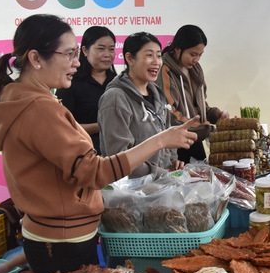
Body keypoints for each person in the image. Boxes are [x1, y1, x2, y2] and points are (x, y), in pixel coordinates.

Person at [0, 14, 197, 273]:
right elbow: (94, 171)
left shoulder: (21, 100)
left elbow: (50, 194)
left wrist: (8, 266)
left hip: (52, 239)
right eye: (69, 54)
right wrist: (159, 140)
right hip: (65, 244)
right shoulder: (41, 109)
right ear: (35, 58)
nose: (77, 63)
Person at [99, 31, 185, 178]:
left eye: (158, 55)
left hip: (161, 187)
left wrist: (173, 163)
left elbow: (166, 136)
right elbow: (118, 159)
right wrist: (162, 173)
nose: (156, 62)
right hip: (132, 194)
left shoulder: (158, 95)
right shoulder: (115, 98)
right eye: (149, 55)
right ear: (130, 58)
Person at [158, 24, 226, 163]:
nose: (196, 60)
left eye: (200, 55)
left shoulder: (195, 70)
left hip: (196, 141)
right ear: (177, 49)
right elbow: (169, 115)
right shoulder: (165, 71)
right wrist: (204, 129)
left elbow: (198, 105)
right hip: (175, 146)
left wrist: (214, 114)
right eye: (192, 54)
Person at [55, 26, 117, 154]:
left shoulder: (119, 82)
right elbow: (64, 127)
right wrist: (101, 126)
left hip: (117, 152)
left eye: (111, 49)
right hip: (84, 154)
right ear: (85, 50)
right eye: (101, 49)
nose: (107, 54)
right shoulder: (70, 83)